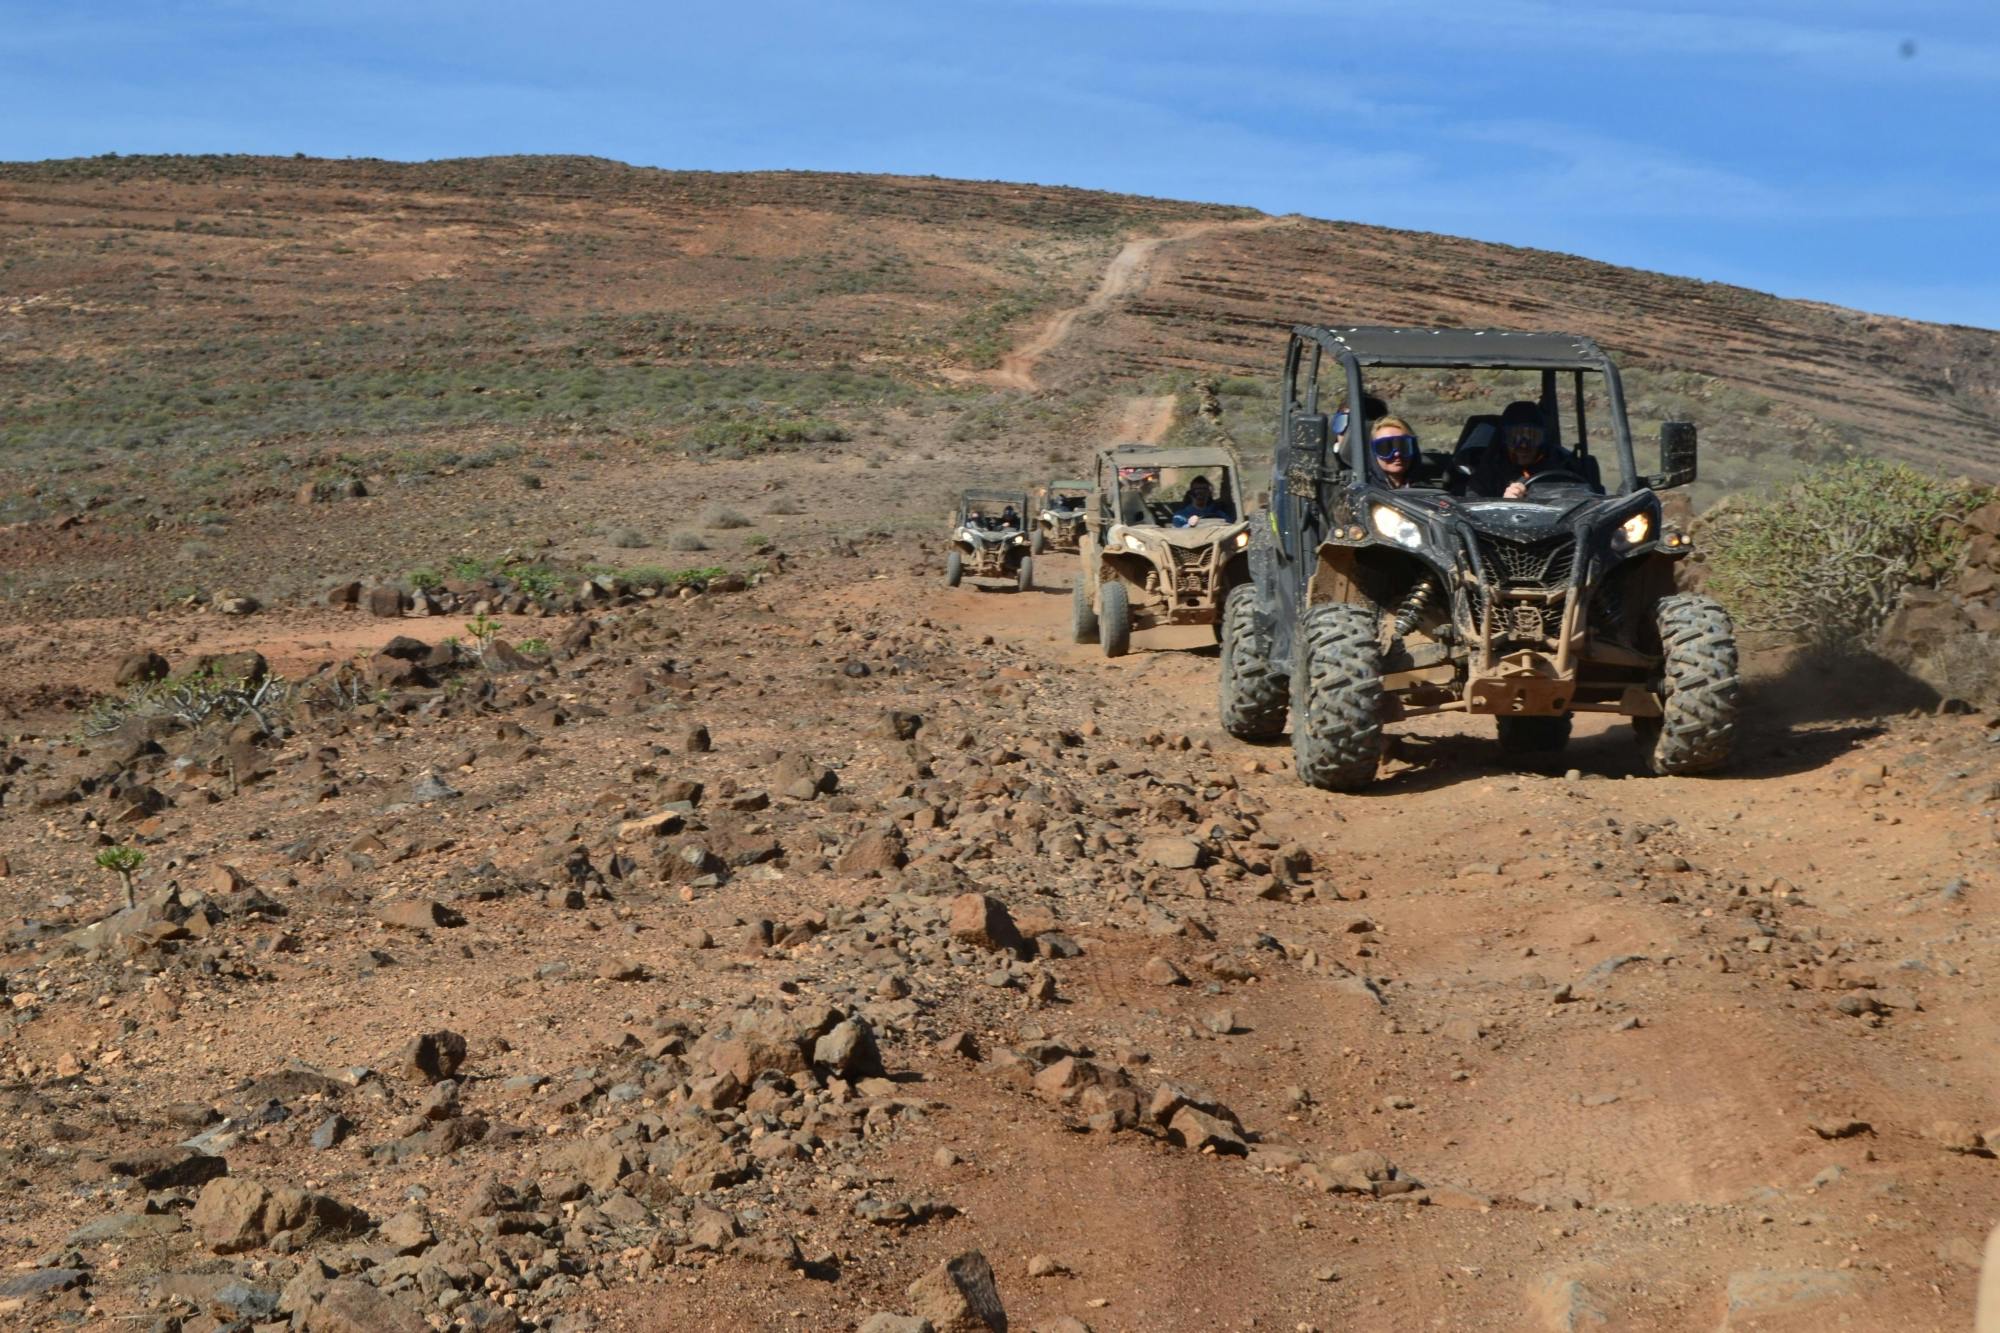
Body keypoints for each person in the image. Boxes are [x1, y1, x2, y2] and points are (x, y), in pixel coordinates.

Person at [1470, 401, 1577, 499]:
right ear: (1504, 440)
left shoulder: (1561, 467)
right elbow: (1471, 510)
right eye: (1515, 438)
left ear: (1543, 441)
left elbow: (1583, 500)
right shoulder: (1489, 473)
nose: (1524, 446)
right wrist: (1504, 503)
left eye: (1532, 437)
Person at [1370, 417, 1421, 489]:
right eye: (1386, 448)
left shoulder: (1429, 492)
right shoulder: (1363, 491)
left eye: (1403, 447)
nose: (1397, 454)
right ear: (1374, 452)